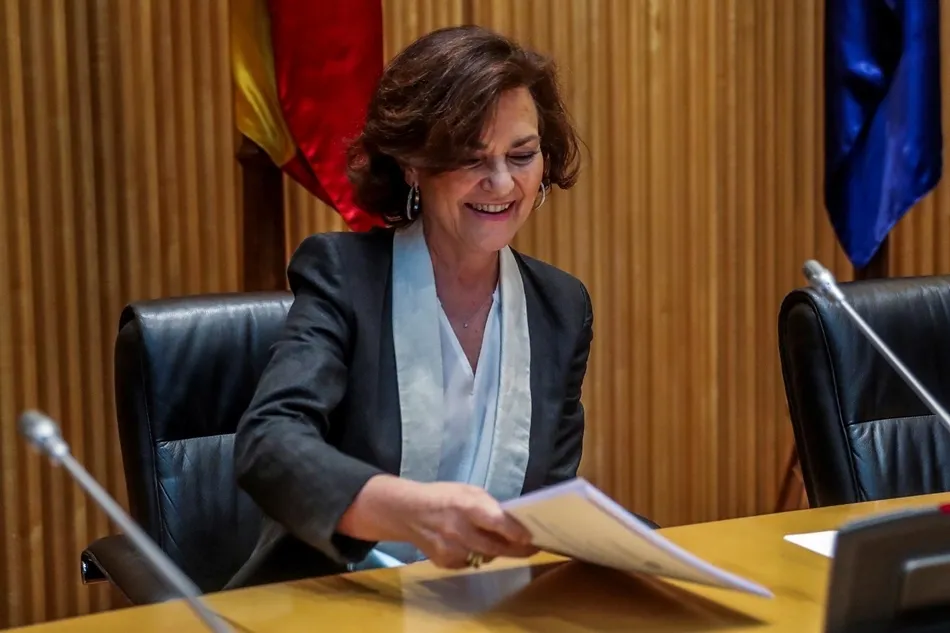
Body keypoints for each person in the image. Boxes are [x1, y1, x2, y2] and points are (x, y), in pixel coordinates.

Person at [226, 25, 595, 590]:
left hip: (497, 607)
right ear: (411, 164)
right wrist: (413, 513)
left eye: (521, 155)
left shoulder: (561, 307)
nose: (501, 183)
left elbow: (547, 503)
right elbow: (269, 444)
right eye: (471, 158)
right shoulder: (344, 276)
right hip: (343, 601)